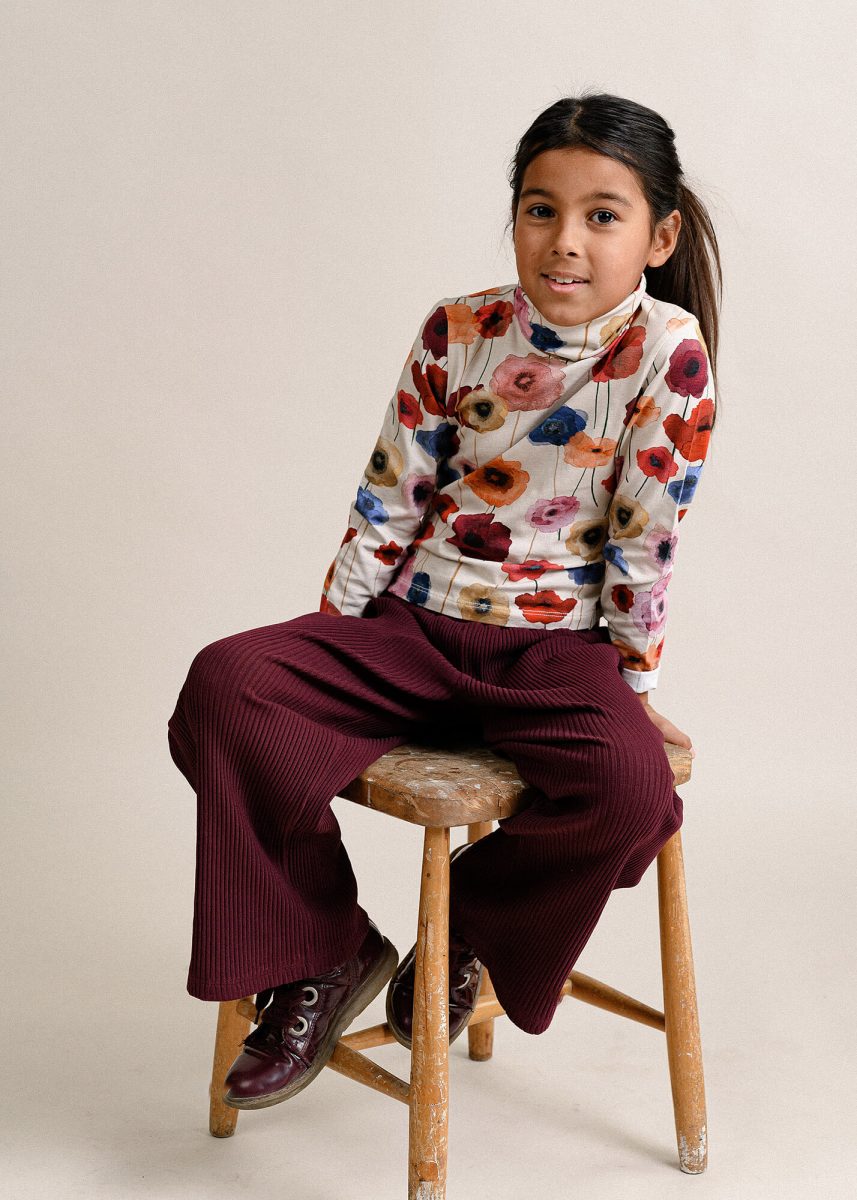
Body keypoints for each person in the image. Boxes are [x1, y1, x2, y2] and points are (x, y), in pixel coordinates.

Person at [167, 90, 721, 1112]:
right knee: (227, 684)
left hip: (557, 654)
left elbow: (645, 543)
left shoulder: (665, 355)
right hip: (413, 629)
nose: (563, 242)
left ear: (659, 235)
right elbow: (389, 494)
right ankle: (323, 953)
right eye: (538, 209)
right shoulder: (458, 327)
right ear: (513, 216)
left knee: (631, 793)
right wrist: (329, 645)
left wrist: (633, 686)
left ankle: (464, 934)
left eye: (602, 215)